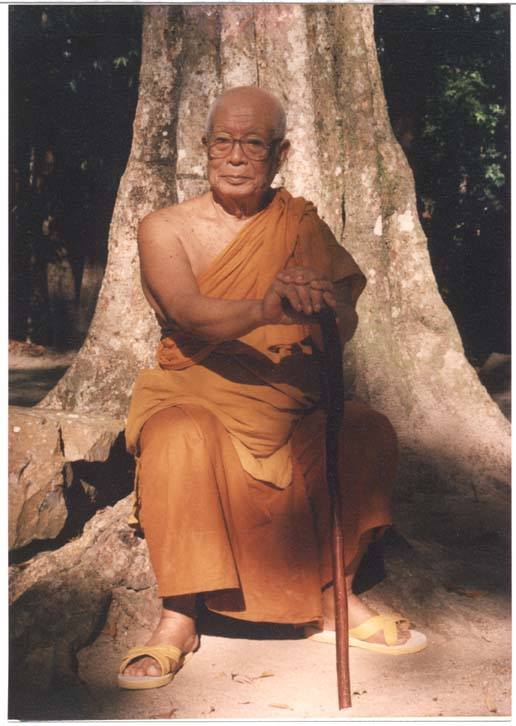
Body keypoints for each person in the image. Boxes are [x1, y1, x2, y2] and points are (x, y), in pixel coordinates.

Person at [118, 86, 426, 690]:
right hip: (198, 400)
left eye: (254, 144)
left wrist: (324, 306)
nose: (235, 157)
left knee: (364, 429)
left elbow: (346, 317)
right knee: (177, 436)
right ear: (205, 147)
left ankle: (335, 596)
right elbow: (186, 311)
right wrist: (266, 308)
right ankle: (179, 614)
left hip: (290, 408)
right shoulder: (164, 227)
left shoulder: (299, 224)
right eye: (223, 142)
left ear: (280, 154)